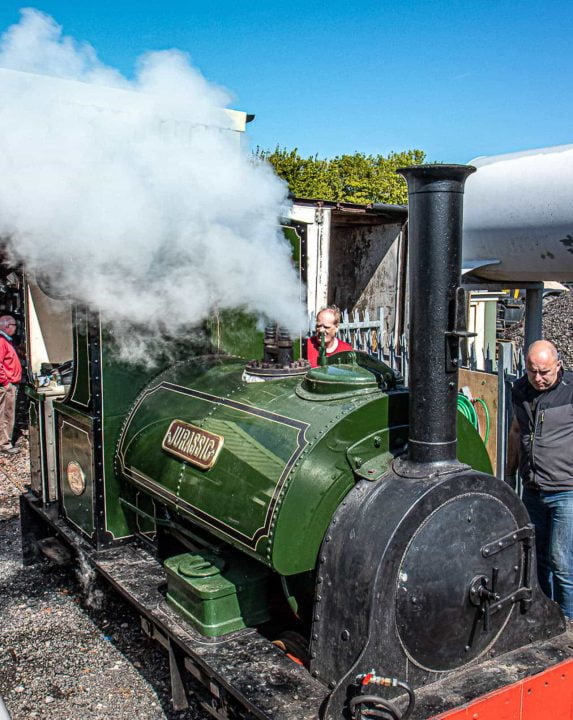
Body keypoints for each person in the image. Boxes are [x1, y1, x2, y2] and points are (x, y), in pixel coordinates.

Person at [507, 339, 573, 619]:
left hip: (566, 491)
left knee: (563, 563)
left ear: (558, 365)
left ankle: (569, 621)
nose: (538, 378)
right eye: (532, 371)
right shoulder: (520, 390)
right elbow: (516, 430)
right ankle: (543, 616)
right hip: (533, 489)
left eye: (544, 372)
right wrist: (510, 473)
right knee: (537, 559)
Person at [0, 315, 22, 455]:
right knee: (6, 415)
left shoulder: (6, 341)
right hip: (7, 385)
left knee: (7, 413)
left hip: (10, 383)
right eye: (14, 325)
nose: (16, 328)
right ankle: (5, 444)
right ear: (7, 325)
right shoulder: (1, 341)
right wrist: (5, 382)